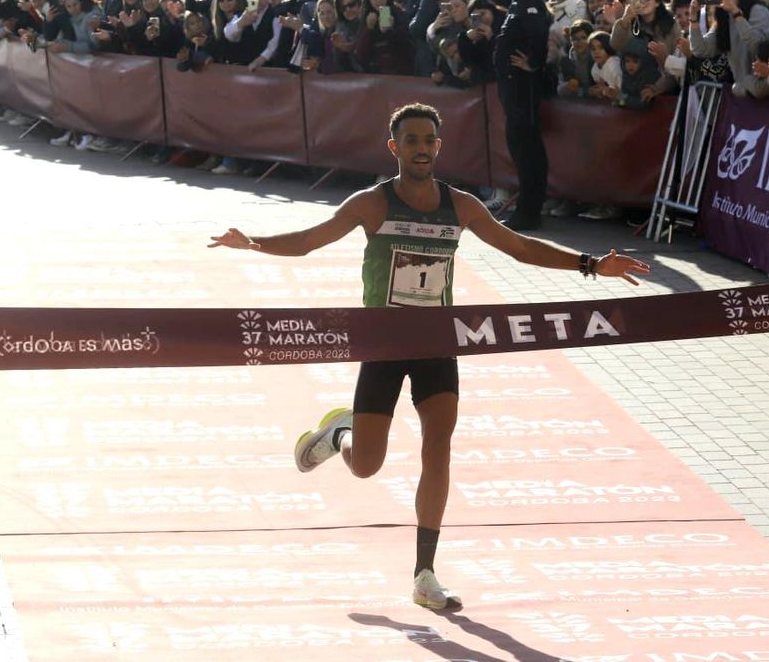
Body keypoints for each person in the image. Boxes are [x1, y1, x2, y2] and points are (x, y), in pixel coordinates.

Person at [208, 102, 649, 609]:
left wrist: (592, 264)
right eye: (411, 140)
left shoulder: (460, 205)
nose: (421, 149)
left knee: (437, 447)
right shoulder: (371, 204)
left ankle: (425, 573)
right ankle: (341, 434)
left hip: (437, 343)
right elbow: (311, 240)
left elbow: (519, 248)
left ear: (439, 147)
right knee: (367, 466)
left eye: (429, 141)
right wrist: (254, 242)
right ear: (394, 148)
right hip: (383, 344)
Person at [492, 0, 551, 230]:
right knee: (519, 147)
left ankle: (529, 212)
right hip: (511, 85)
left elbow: (540, 36)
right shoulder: (516, 1)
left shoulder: (531, 3)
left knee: (528, 150)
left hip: (523, 87)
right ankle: (526, 209)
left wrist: (533, 64)